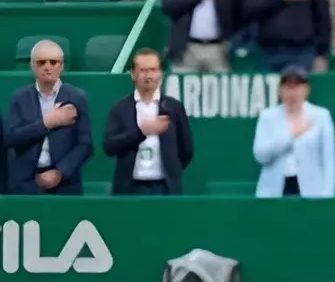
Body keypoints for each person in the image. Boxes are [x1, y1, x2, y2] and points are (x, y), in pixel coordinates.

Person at [3, 39, 93, 195]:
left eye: (53, 62)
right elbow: (10, 138)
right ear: (32, 65)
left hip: (65, 185)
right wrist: (46, 123)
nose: (47, 67)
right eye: (41, 62)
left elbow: (85, 145)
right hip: (25, 184)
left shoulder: (77, 97)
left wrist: (60, 172)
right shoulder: (19, 97)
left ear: (62, 65)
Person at [102, 48, 194, 196]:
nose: (148, 76)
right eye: (143, 70)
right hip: (129, 188)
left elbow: (186, 149)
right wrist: (141, 132)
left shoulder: (173, 107)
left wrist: (172, 171)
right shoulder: (120, 108)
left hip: (164, 188)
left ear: (160, 73)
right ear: (133, 74)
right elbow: (109, 146)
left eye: (153, 70)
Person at [252, 65, 335, 198]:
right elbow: (261, 155)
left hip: (311, 191)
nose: (292, 92)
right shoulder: (267, 117)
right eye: (288, 87)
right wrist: (291, 136)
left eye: (297, 86)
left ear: (306, 89)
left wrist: (327, 194)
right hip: (275, 191)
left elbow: (329, 160)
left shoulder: (321, 116)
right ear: (280, 90)